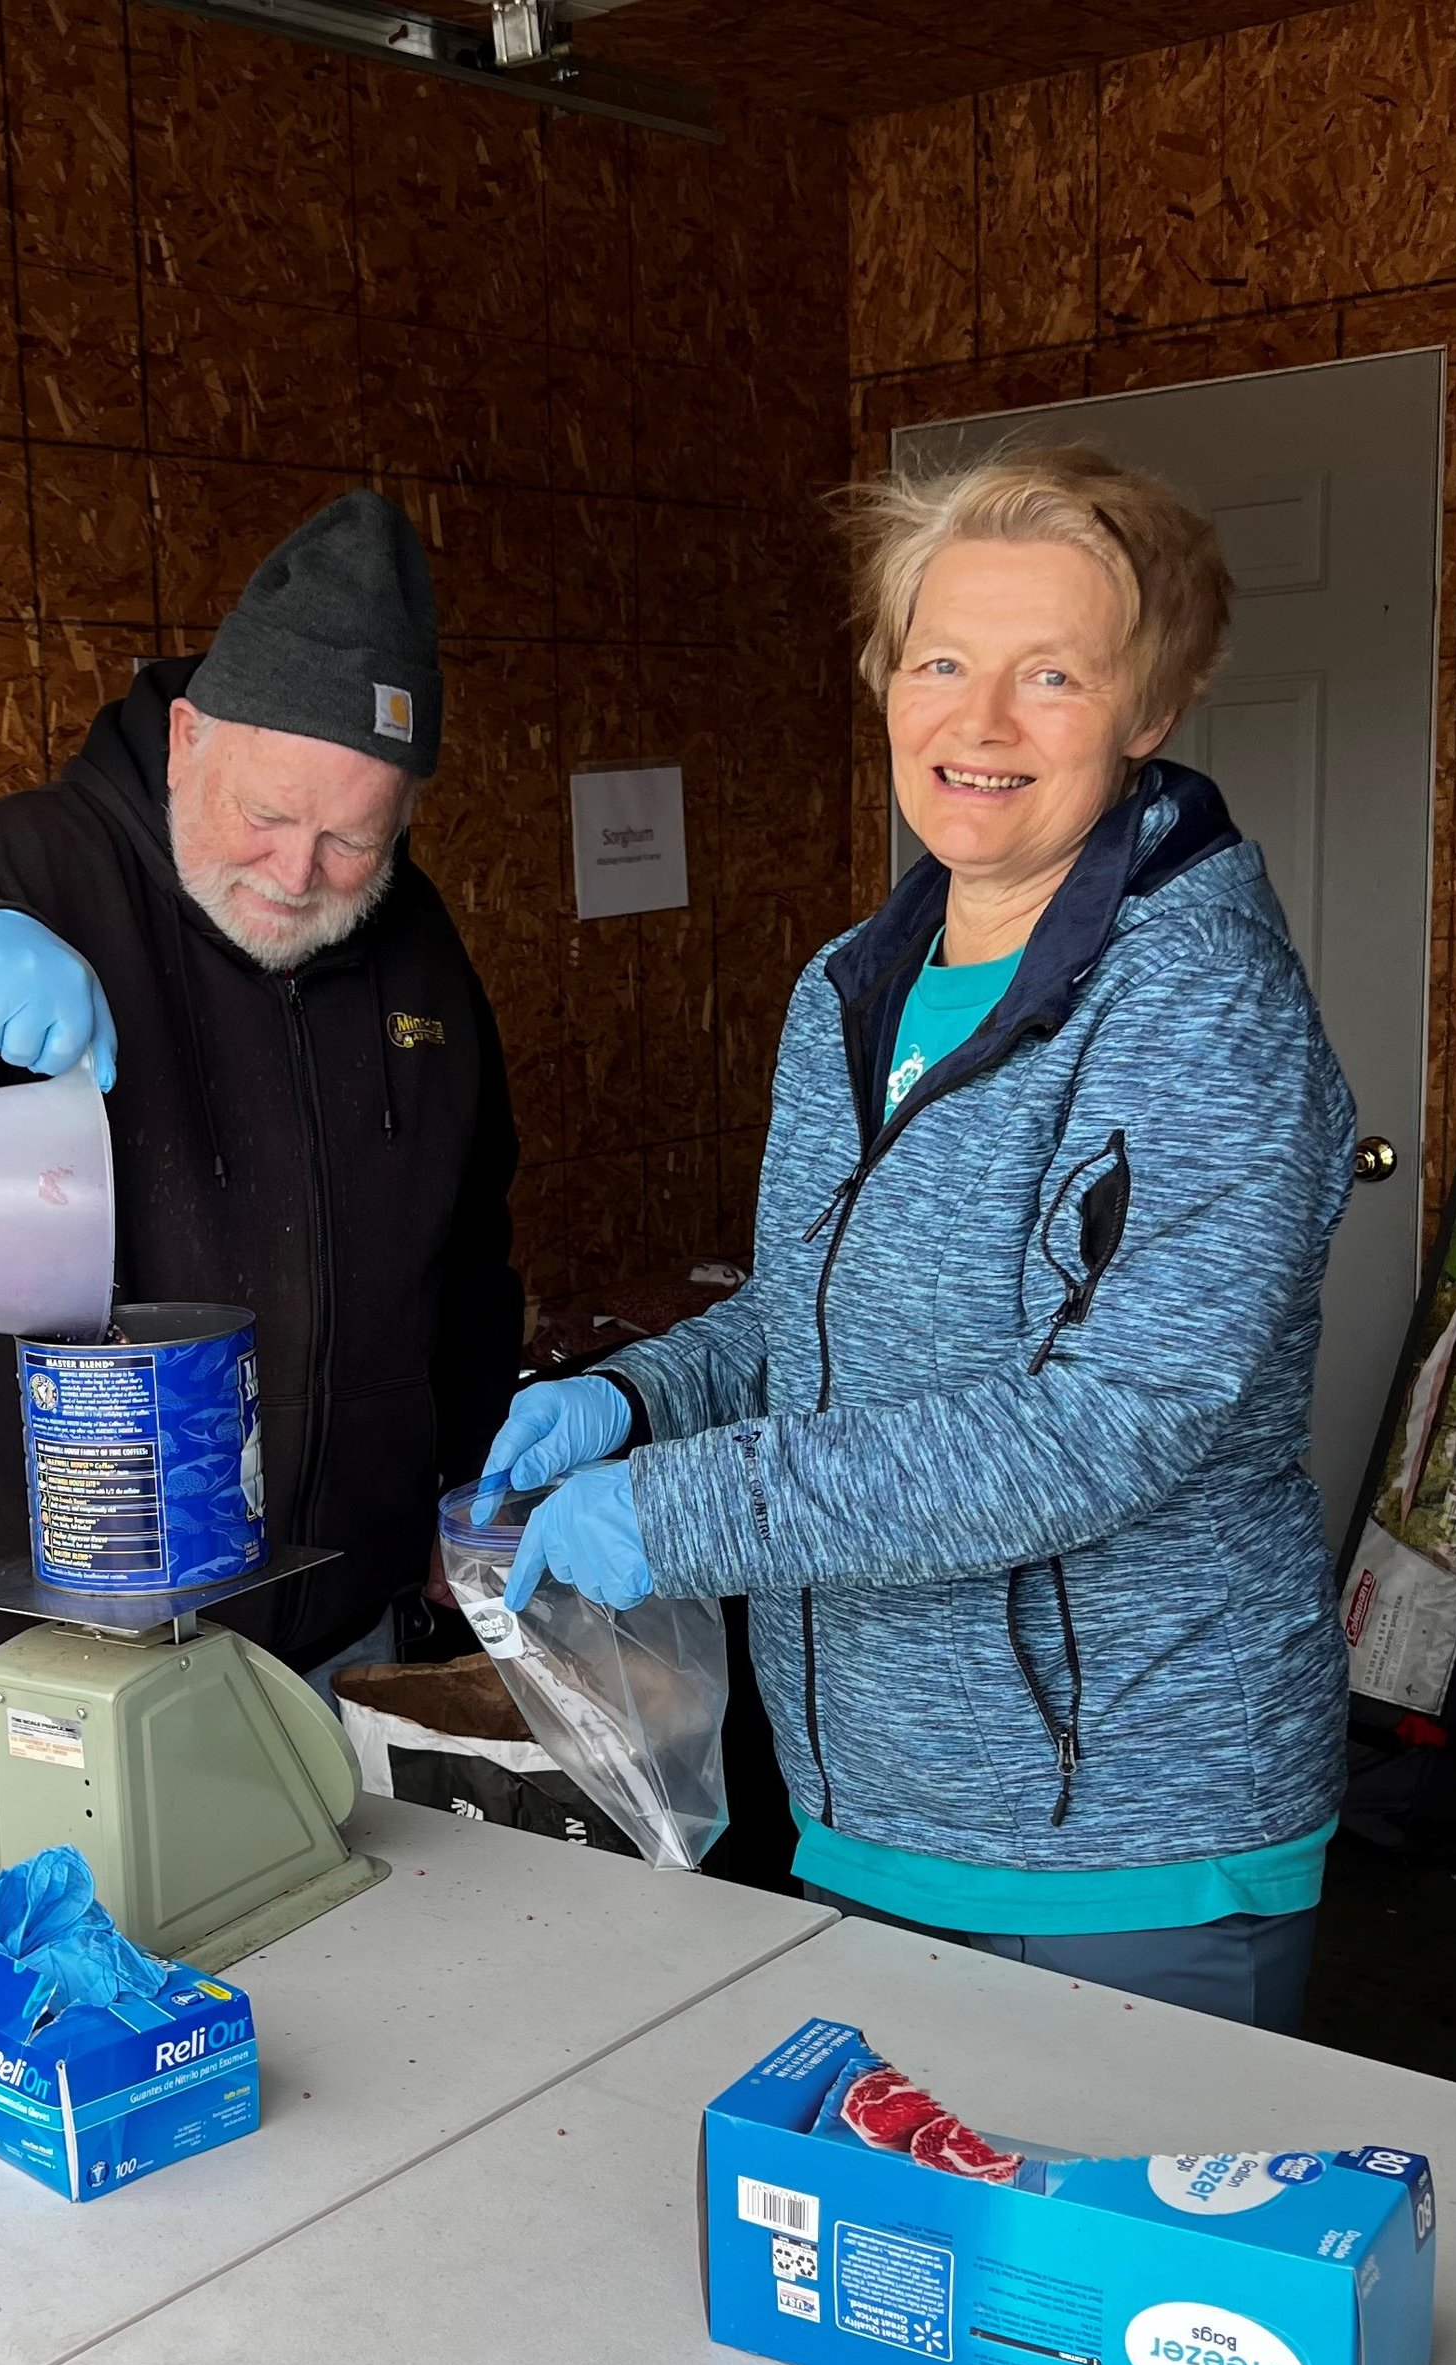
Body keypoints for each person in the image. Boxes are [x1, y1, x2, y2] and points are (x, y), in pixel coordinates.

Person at [484, 445, 1357, 2032]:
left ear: (1150, 712)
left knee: (1108, 2284)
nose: (981, 724)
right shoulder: (850, 988)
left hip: (1128, 1836)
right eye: (941, 662)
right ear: (888, 679)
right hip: (868, 1803)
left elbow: (1109, 1426)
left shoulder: (1202, 1010)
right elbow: (804, 1322)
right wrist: (638, 1398)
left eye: (1054, 677)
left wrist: (683, 1510)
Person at [0, 490, 523, 1694]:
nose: (295, 871)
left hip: (346, 1614)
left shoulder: (412, 941)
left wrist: (467, 1479)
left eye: (353, 841)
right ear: (184, 738)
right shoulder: (32, 864)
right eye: (268, 814)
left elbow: (470, 1243)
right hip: (77, 1634)